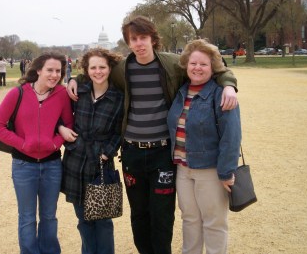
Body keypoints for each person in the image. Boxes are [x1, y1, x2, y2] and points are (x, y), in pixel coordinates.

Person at [67, 15, 238, 254]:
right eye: (133, 39)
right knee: (139, 214)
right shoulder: (123, 68)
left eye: (143, 38)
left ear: (152, 39)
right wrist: (75, 79)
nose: (139, 43)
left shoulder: (171, 64)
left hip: (162, 154)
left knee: (162, 214)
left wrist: (229, 84)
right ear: (128, 42)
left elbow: (211, 69)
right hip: (132, 153)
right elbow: (95, 71)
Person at [0, 52, 75, 254]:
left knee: (49, 216)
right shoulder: (17, 94)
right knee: (27, 217)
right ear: (38, 71)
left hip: (52, 164)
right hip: (23, 165)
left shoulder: (61, 94)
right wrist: (22, 144)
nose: (54, 75)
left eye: (58, 71)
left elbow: (69, 125)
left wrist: (54, 143)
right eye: (50, 70)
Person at [167, 39, 241, 254]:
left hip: (210, 170)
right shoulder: (181, 91)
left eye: (203, 64)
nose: (197, 68)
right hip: (182, 167)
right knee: (189, 219)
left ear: (213, 68)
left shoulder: (221, 94)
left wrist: (227, 172)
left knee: (213, 222)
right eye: (193, 64)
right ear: (186, 65)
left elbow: (232, 136)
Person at [60, 48, 124, 254]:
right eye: (93, 67)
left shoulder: (119, 98)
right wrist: (62, 129)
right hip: (76, 162)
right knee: (83, 220)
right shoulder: (78, 91)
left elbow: (120, 130)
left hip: (101, 163)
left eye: (102, 67)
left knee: (103, 221)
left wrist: (109, 151)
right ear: (86, 70)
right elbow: (60, 116)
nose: (98, 72)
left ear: (109, 68)